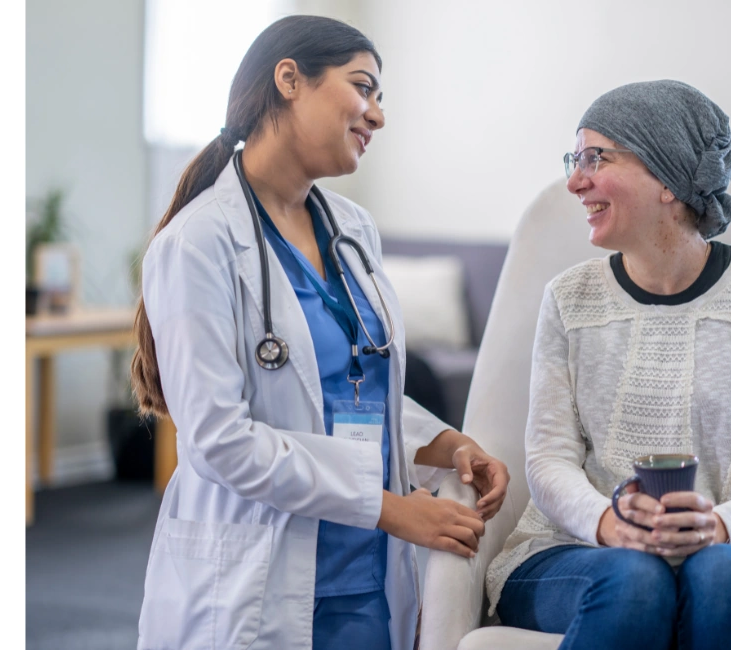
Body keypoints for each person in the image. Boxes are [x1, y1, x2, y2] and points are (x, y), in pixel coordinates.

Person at [130, 16, 510, 650]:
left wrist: (447, 442)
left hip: (363, 574)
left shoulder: (353, 229)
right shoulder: (198, 243)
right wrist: (392, 508)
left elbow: (352, 388)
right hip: (256, 580)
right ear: (289, 80)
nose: (378, 115)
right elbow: (219, 442)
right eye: (364, 88)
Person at [486, 80, 731, 650]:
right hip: (575, 552)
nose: (574, 180)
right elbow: (549, 459)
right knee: (637, 579)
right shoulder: (569, 299)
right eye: (576, 159)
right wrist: (608, 525)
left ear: (666, 179)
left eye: (596, 158)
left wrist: (718, 527)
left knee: (713, 570)